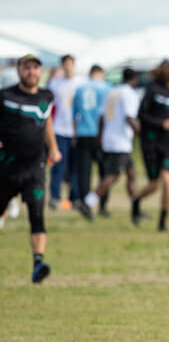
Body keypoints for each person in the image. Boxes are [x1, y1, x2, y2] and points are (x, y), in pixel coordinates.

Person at [0, 54, 62, 283]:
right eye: (27, 68)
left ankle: (38, 264)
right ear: (19, 70)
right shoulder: (6, 96)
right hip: (6, 167)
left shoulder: (47, 96)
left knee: (37, 215)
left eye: (36, 68)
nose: (32, 72)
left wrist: (53, 148)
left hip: (35, 167)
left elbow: (46, 122)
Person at [130, 60, 169, 231]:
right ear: (168, 72)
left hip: (167, 145)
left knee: (168, 181)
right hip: (150, 143)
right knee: (154, 184)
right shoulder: (152, 89)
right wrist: (162, 124)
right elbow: (141, 115)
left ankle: (163, 223)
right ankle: (136, 200)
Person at [84, 68, 140, 217]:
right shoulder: (129, 94)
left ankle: (135, 209)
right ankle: (88, 202)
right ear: (134, 80)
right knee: (113, 175)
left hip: (109, 138)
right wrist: (141, 133)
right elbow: (130, 117)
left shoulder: (111, 92)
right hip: (120, 141)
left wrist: (100, 137)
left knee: (131, 173)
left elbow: (101, 117)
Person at [47, 54, 86, 210]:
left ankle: (75, 198)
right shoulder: (55, 83)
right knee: (58, 165)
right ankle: (55, 197)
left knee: (75, 166)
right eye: (65, 64)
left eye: (70, 64)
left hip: (76, 130)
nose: (68, 67)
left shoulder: (81, 83)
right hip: (59, 129)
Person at [72, 65, 110, 220]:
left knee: (84, 173)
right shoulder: (107, 88)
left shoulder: (80, 89)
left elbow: (75, 114)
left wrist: (74, 135)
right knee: (105, 172)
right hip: (102, 135)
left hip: (83, 133)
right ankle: (103, 205)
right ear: (101, 73)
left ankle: (84, 203)